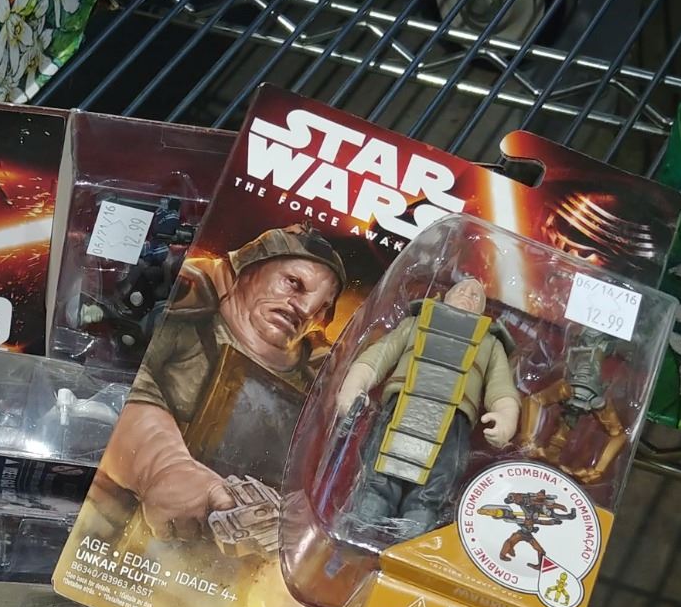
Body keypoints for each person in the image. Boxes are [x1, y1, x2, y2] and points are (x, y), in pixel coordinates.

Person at [90, 228, 346, 543]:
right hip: (118, 526)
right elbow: (125, 389)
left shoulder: (321, 385)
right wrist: (166, 467)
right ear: (248, 269)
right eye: (294, 283)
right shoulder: (182, 320)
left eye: (322, 306)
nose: (306, 310)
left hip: (239, 554)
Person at [334, 276, 519, 542]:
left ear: (483, 309)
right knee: (379, 476)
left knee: (432, 489)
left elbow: (502, 387)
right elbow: (377, 357)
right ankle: (362, 527)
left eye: (476, 295)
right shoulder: (415, 323)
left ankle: (412, 540)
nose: (468, 294)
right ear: (446, 296)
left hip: (453, 423)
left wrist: (505, 417)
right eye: (462, 289)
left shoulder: (490, 344)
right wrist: (354, 386)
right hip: (401, 409)